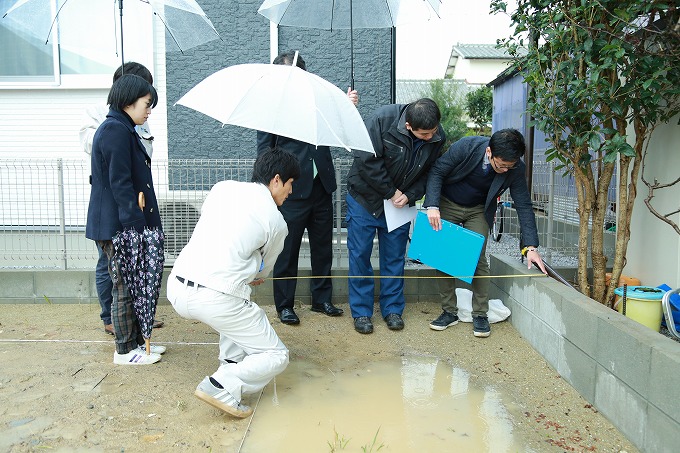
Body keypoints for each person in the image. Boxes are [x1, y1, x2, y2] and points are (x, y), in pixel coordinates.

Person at [166, 147, 300, 418]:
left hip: (178, 287)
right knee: (276, 356)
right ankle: (221, 385)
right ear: (276, 179)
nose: (291, 192)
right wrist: (255, 274)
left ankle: (230, 363)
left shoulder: (223, 188)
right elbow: (264, 271)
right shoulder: (276, 221)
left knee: (240, 305)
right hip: (216, 297)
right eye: (290, 184)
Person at [256, 50, 358, 325]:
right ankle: (285, 305)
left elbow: (340, 126)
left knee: (323, 247)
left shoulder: (319, 101)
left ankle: (321, 299)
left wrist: (347, 106)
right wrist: (271, 189)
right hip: (291, 190)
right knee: (286, 250)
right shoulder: (271, 107)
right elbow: (264, 152)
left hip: (321, 186)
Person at [424, 128, 548, 338]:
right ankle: (449, 311)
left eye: (510, 166)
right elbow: (437, 171)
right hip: (448, 202)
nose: (505, 170)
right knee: (444, 256)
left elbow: (524, 205)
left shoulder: (515, 168)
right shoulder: (467, 147)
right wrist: (432, 205)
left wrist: (531, 247)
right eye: (501, 165)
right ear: (489, 152)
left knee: (477, 256)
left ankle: (480, 313)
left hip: (479, 209)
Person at [346, 98, 446, 334]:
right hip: (365, 198)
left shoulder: (436, 134)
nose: (431, 137)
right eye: (425, 134)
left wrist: (411, 194)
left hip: (400, 204)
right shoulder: (382, 120)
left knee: (394, 257)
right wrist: (391, 192)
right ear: (409, 126)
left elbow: (433, 172)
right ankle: (361, 312)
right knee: (360, 255)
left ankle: (392, 310)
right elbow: (366, 160)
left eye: (433, 132)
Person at [85, 74, 165, 365]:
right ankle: (124, 350)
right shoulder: (114, 130)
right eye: (146, 104)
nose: (149, 110)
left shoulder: (123, 127)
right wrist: (134, 225)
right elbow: (120, 182)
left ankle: (135, 344)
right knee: (123, 286)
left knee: (131, 285)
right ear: (129, 101)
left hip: (121, 222)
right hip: (117, 224)